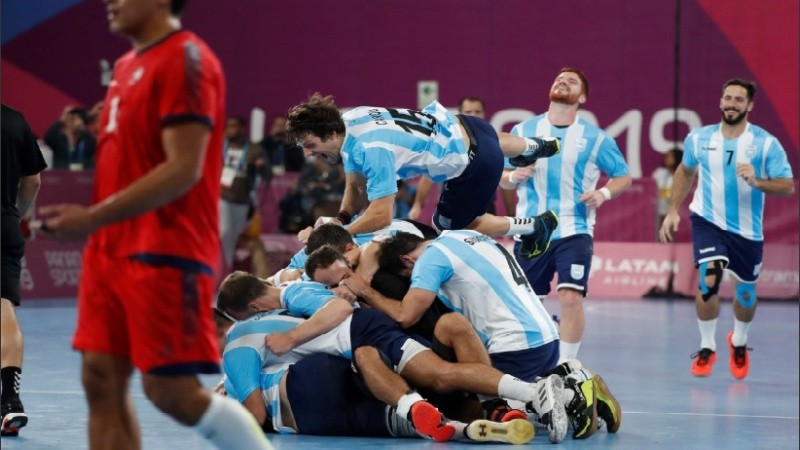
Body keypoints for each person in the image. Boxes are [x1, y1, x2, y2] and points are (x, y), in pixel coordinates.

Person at [36, 1, 273, 448]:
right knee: (100, 377)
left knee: (170, 391)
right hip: (110, 249)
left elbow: (183, 168)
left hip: (166, 250)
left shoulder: (186, 59)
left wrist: (91, 218)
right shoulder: (125, 66)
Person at [217, 275, 569, 443]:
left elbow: (340, 309)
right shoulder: (288, 296)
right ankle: (453, 416)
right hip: (357, 346)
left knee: (439, 375)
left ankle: (531, 393)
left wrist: (291, 340)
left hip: (363, 333)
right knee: (426, 383)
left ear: (252, 308)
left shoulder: (264, 318)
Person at [343, 230, 621, 438]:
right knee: (450, 325)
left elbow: (406, 316)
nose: (414, 280)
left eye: (409, 276)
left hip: (514, 346)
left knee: (478, 405)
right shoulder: (464, 235)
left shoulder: (428, 261)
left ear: (408, 260)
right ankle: (567, 373)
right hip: (546, 337)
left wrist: (364, 289)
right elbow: (379, 241)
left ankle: (573, 393)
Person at [286, 93, 561, 256]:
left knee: (447, 226)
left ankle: (534, 226)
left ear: (331, 133)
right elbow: (357, 187)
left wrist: (336, 234)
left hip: (476, 164)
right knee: (490, 139)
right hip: (468, 126)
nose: (308, 153)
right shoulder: (350, 120)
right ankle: (536, 146)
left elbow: (381, 216)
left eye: (311, 145)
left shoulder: (372, 150)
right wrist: (340, 218)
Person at [659, 78, 794, 379]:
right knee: (709, 281)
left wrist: (757, 181)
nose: (732, 104)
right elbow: (685, 171)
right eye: (728, 98)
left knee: (745, 295)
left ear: (750, 105)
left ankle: (739, 341)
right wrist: (673, 211)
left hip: (747, 231)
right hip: (707, 221)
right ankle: (707, 346)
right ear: (720, 102)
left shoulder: (765, 143)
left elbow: (787, 186)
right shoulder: (699, 138)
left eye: (739, 99)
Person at [499, 67, 632, 363]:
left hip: (575, 229)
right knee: (529, 305)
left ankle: (567, 365)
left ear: (581, 97)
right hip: (531, 230)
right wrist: (513, 176)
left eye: (572, 82)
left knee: (571, 297)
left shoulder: (596, 138)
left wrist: (603, 194)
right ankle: (535, 359)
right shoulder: (522, 131)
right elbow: (501, 176)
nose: (563, 82)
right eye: (559, 79)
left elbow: (623, 176)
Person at [1, 104, 47, 437]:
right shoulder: (14, 120)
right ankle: (10, 402)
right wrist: (16, 215)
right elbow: (33, 181)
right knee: (3, 309)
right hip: (4, 225)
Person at [220, 115, 270, 269]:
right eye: (227, 126)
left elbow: (268, 176)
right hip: (221, 196)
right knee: (225, 233)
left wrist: (262, 167)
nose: (229, 130)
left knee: (232, 235)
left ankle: (226, 270)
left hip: (242, 200)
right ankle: (224, 270)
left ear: (242, 128)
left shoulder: (255, 149)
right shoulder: (220, 146)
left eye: (233, 126)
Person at [43, 105, 97, 170]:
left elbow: (95, 141)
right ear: (67, 122)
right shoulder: (59, 139)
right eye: (73, 119)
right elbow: (48, 138)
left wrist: (85, 124)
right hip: (62, 174)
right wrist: (61, 121)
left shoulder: (86, 140)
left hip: (83, 175)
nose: (77, 122)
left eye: (79, 119)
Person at [652, 148, 683, 238]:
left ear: (677, 158)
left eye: (669, 156)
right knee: (660, 236)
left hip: (677, 214)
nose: (666, 158)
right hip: (659, 212)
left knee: (673, 237)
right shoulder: (659, 173)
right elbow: (650, 189)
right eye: (666, 156)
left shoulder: (684, 176)